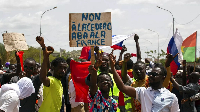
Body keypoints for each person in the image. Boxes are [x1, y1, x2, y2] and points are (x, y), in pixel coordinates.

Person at [109, 52, 180, 112]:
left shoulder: (171, 97)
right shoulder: (143, 92)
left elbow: (167, 77)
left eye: (154, 74)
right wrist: (113, 67)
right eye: (150, 74)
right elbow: (122, 87)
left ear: (162, 78)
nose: (151, 76)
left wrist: (167, 64)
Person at [36, 36, 67, 112]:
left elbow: (48, 65)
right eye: (60, 67)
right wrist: (45, 52)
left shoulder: (59, 82)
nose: (62, 70)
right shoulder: (52, 81)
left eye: (64, 68)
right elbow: (43, 78)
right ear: (53, 68)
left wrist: (45, 51)